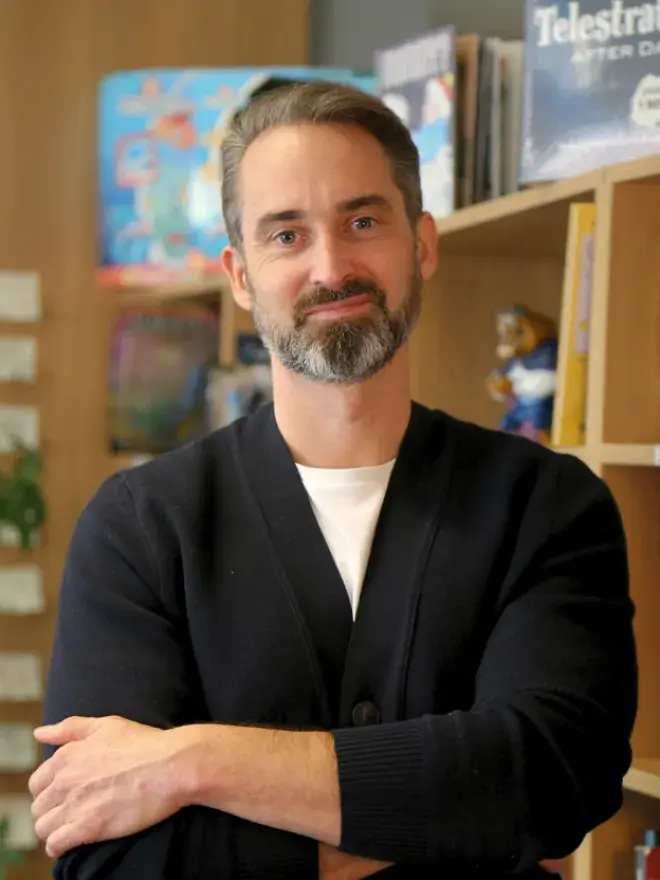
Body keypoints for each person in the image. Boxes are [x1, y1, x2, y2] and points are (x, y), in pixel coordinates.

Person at [29, 79, 637, 880]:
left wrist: (193, 760)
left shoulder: (548, 506)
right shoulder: (142, 527)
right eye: (285, 236)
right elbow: (106, 858)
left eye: (361, 221)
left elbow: (552, 778)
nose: (330, 267)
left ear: (421, 243)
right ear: (240, 275)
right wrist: (441, 820)